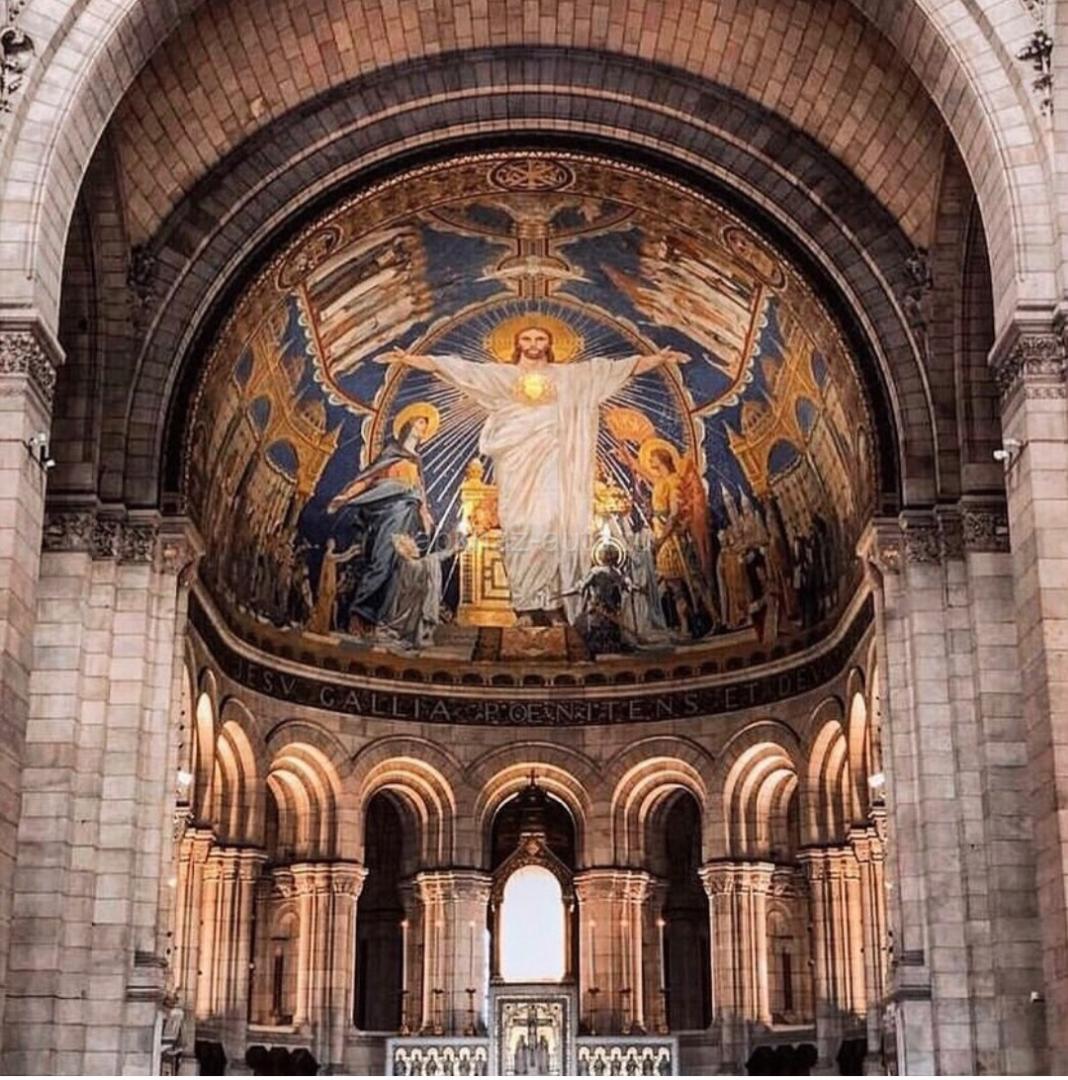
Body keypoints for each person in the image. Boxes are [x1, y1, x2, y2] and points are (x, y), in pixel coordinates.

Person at [378, 327, 687, 627]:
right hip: (516, 465)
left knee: (552, 524)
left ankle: (552, 604)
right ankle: (525, 604)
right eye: (527, 338)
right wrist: (411, 360)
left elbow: (613, 370)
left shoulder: (569, 376)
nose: (533, 343)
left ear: (549, 343)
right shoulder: (503, 376)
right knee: (519, 527)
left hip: (553, 462)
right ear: (518, 343)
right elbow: (460, 370)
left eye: (540, 338)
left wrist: (657, 359)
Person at [326, 404, 437, 626]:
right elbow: (368, 478)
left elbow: (419, 491)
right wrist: (345, 496)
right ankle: (359, 613)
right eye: (420, 422)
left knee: (400, 567)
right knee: (383, 561)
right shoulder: (392, 452)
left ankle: (384, 619)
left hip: (408, 515)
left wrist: (425, 515)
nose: (423, 428)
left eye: (425, 425)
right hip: (389, 512)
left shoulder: (416, 461)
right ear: (408, 424)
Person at [375, 532, 463, 650]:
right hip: (412, 604)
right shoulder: (412, 564)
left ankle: (420, 637)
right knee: (416, 618)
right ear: (408, 549)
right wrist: (452, 550)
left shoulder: (413, 563)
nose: (416, 545)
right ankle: (417, 638)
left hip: (416, 601)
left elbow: (435, 558)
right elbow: (433, 559)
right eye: (412, 544)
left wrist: (452, 550)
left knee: (419, 617)